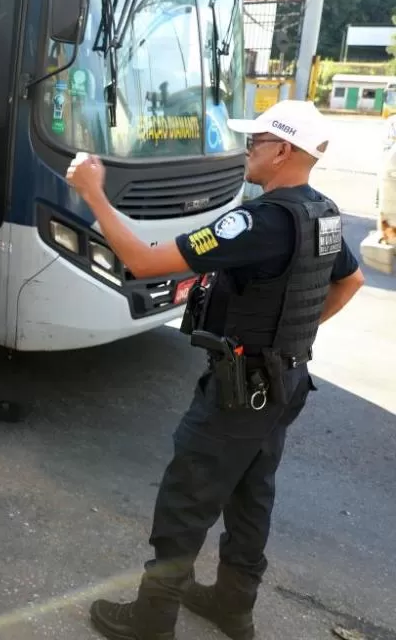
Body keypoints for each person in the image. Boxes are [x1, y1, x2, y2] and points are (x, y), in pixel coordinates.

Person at [64, 100, 365, 640]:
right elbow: (351, 281)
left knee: (188, 496)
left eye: (258, 140)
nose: (249, 148)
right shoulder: (321, 211)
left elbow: (146, 261)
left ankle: (152, 620)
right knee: (252, 494)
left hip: (242, 387)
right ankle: (232, 605)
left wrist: (93, 195)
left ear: (284, 150)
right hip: (285, 380)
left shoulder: (260, 220)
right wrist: (290, 339)